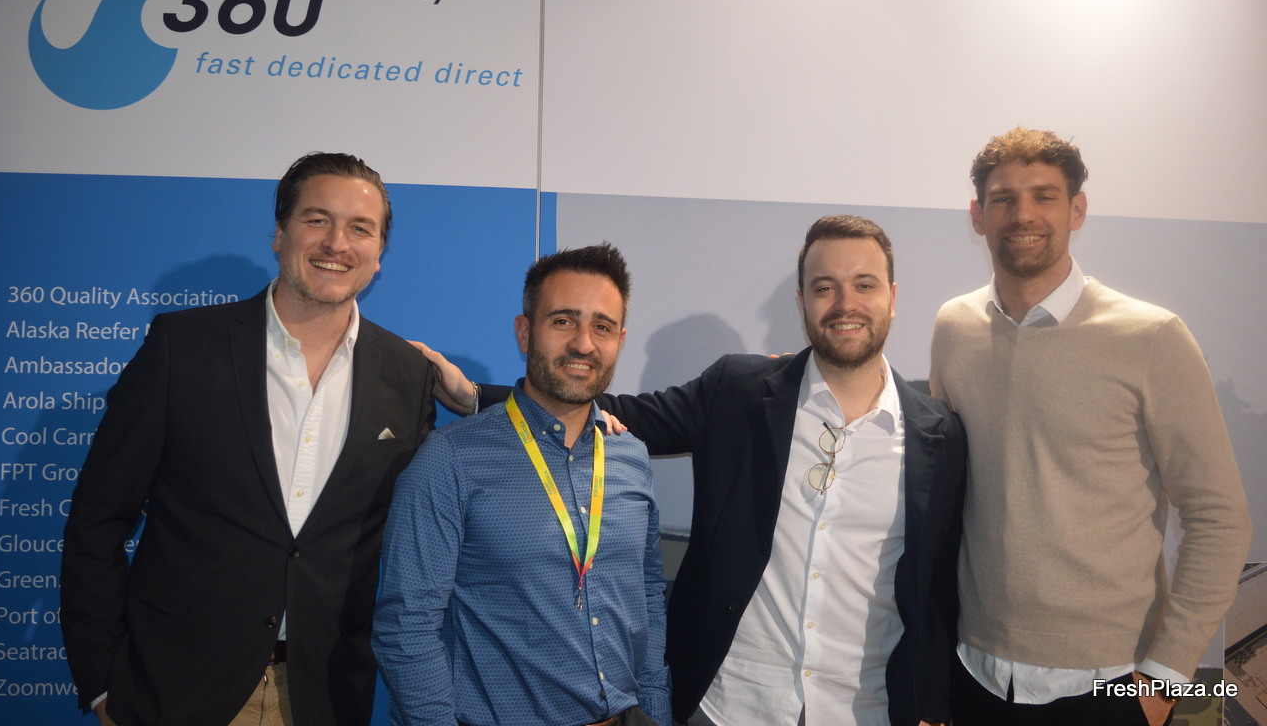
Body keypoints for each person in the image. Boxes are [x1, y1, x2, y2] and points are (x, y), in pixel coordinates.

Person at [422, 216, 967, 726]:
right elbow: (608, 409)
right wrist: (476, 397)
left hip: (865, 711)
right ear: (803, 302)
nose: (845, 303)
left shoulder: (938, 435)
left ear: (893, 298)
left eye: (864, 285)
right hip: (724, 705)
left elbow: (937, 588)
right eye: (825, 287)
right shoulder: (739, 391)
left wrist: (933, 705)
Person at [60, 152, 437, 726]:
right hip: (170, 690)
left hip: (324, 694)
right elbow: (97, 520)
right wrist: (103, 683)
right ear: (280, 234)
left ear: (379, 252)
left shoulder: (407, 376)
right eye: (317, 219)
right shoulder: (182, 347)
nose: (337, 243)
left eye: (360, 228)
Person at [930, 128, 1252, 726]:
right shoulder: (954, 327)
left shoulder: (1152, 336)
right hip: (974, 670)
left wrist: (1164, 682)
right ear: (978, 216)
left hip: (1113, 683)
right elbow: (944, 488)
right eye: (1003, 198)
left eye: (1044, 196)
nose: (1022, 214)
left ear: (1077, 209)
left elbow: (1220, 517)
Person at [373, 243, 670, 726]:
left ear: (619, 340)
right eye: (563, 321)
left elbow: (649, 593)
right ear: (525, 332)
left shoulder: (631, 457)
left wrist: (656, 710)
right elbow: (406, 627)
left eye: (602, 327)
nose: (583, 344)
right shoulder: (451, 459)